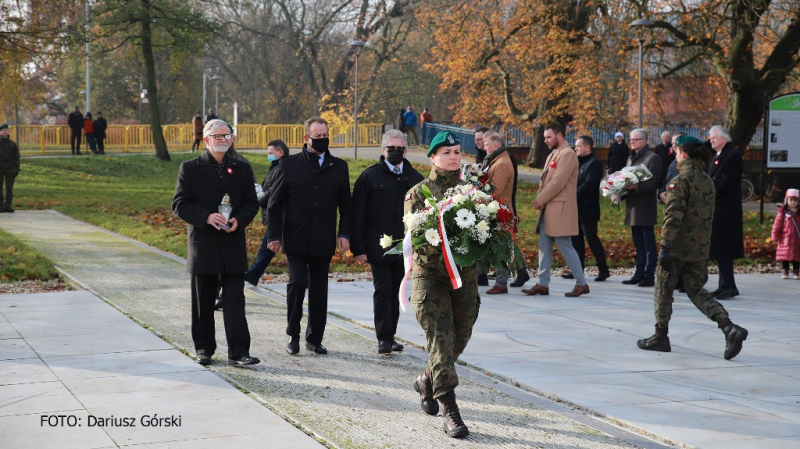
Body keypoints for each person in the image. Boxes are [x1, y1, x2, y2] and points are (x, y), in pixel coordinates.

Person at [636, 135, 748, 361]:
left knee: (663, 289)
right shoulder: (707, 180)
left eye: (677, 152)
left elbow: (673, 217)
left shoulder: (679, 181)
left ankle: (660, 336)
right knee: (696, 290)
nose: (676, 156)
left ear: (683, 154)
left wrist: (665, 247)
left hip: (677, 247)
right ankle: (728, 327)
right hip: (699, 247)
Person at [406, 130, 479, 438]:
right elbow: (417, 237)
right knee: (441, 340)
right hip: (432, 278)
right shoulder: (419, 192)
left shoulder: (473, 192)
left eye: (456, 151)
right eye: (446, 152)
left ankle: (426, 379)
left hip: (465, 279)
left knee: (459, 336)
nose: (453, 156)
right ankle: (450, 410)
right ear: (433, 157)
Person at [171, 119, 261, 367]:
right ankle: (204, 349)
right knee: (203, 302)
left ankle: (239, 352)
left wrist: (239, 221)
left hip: (232, 243)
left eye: (227, 136)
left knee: (234, 301)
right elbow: (179, 205)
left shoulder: (241, 168)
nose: (223, 140)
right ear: (207, 139)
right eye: (218, 136)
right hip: (204, 244)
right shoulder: (190, 168)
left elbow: (251, 203)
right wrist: (206, 216)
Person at [266, 117, 352, 356]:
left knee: (319, 289)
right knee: (297, 283)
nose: (322, 139)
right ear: (306, 138)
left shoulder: (339, 167)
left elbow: (346, 206)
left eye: (325, 135)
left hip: (323, 239)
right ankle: (293, 334)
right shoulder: (289, 165)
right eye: (318, 136)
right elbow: (274, 205)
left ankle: (314, 338)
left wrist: (344, 233)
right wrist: (273, 235)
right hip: (295, 237)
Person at [352, 129, 423, 354]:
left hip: (406, 245)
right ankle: (383, 337)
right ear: (383, 150)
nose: (395, 152)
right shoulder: (369, 177)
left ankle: (391, 334)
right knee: (383, 290)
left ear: (405, 150)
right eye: (390, 149)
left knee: (397, 290)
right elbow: (358, 214)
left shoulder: (415, 178)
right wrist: (359, 247)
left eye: (399, 149)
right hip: (380, 244)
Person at [521, 123, 590, 297]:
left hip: (559, 208)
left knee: (565, 245)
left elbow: (557, 182)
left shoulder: (567, 154)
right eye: (544, 137)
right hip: (549, 208)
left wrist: (540, 199)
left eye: (548, 137)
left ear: (560, 135)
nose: (545, 140)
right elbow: (546, 180)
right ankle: (543, 284)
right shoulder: (554, 153)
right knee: (544, 247)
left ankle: (581, 283)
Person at [563, 135, 610, 282]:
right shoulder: (578, 163)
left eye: (578, 146)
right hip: (576, 208)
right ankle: (578, 269)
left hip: (588, 209)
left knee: (591, 239)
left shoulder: (594, 164)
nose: (575, 148)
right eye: (575, 146)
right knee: (576, 241)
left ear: (587, 147)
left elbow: (589, 185)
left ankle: (603, 269)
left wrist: (571, 195)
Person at [243, 140, 290, 287]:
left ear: (280, 152)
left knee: (271, 247)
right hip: (277, 215)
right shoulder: (276, 167)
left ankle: (252, 275)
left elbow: (273, 193)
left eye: (270, 153)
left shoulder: (282, 168)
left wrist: (260, 199)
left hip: (280, 215)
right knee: (269, 248)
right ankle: (253, 275)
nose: (268, 156)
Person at [620, 129, 662, 287]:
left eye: (635, 140)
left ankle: (649, 275)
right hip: (632, 205)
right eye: (631, 140)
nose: (632, 142)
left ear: (644, 140)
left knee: (648, 243)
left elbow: (654, 182)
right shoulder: (631, 158)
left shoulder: (652, 158)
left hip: (645, 206)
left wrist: (637, 186)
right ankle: (638, 273)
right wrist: (619, 191)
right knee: (638, 243)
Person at [706, 125, 744, 300]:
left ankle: (729, 286)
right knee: (719, 248)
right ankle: (724, 285)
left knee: (724, 248)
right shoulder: (718, 155)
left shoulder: (733, 155)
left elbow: (726, 182)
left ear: (724, 138)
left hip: (727, 209)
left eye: (713, 137)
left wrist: (707, 192)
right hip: (718, 208)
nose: (710, 140)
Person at [478, 130, 516, 294]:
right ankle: (481, 276)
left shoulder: (501, 164)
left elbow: (496, 191)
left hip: (500, 212)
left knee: (500, 248)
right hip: (495, 210)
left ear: (495, 146)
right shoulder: (497, 160)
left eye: (486, 145)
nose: (484, 148)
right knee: (488, 246)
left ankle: (501, 283)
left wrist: (479, 191)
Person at [659, 132, 686, 292]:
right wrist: (661, 192)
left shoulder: (688, 164)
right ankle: (676, 279)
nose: (673, 145)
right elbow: (666, 180)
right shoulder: (672, 163)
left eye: (677, 143)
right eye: (673, 143)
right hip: (670, 207)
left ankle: (685, 280)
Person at [772, 188, 800, 280]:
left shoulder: (798, 213)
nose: (793, 202)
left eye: (795, 200)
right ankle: (785, 270)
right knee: (784, 256)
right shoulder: (782, 213)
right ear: (786, 200)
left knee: (797, 256)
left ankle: (796, 271)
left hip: (797, 239)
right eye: (791, 200)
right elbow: (777, 225)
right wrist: (775, 237)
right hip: (785, 239)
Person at [0, 124, 20, 213]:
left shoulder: (12, 144)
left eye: (6, 130)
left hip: (9, 169)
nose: (5, 131)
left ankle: (8, 205)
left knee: (9, 188)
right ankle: (0, 205)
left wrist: (17, 168)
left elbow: (16, 157)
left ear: (8, 132)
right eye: (3, 130)